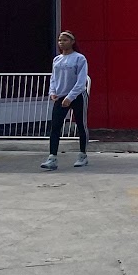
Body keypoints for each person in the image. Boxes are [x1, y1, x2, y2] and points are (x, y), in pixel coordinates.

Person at [41, 31, 91, 170]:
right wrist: (52, 92)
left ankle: (82, 155)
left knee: (81, 125)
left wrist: (70, 97)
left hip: (77, 96)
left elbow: (81, 80)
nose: (61, 43)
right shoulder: (57, 59)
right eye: (60, 40)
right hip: (60, 96)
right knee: (55, 127)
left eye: (65, 40)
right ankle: (52, 157)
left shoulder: (79, 58)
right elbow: (54, 77)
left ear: (72, 42)